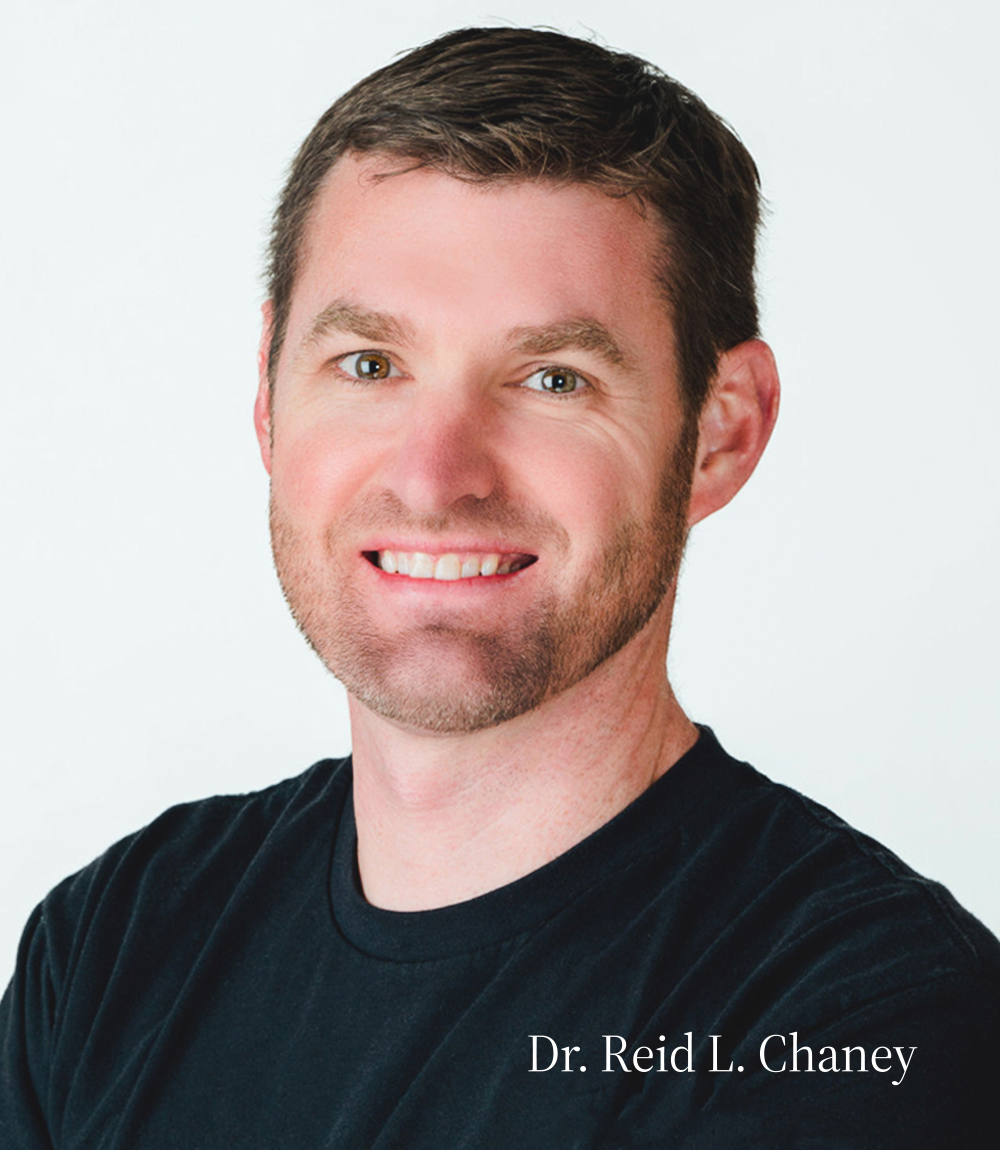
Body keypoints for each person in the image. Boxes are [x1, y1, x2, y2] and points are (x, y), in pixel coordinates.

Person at [2, 26, 997, 1149]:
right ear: (270, 398)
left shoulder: (865, 1024)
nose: (436, 477)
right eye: (370, 364)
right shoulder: (114, 945)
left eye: (552, 378)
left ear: (719, 435)